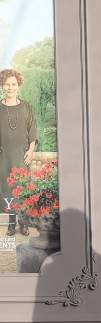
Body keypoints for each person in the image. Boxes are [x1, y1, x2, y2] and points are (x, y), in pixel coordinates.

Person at [0, 69, 38, 235]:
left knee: (22, 189)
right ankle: (11, 222)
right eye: (6, 84)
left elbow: (33, 130)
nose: (10, 87)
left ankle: (23, 223)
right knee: (7, 190)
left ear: (18, 86)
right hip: (3, 158)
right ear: (2, 86)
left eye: (13, 84)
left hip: (22, 157)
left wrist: (31, 151)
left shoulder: (26, 107)